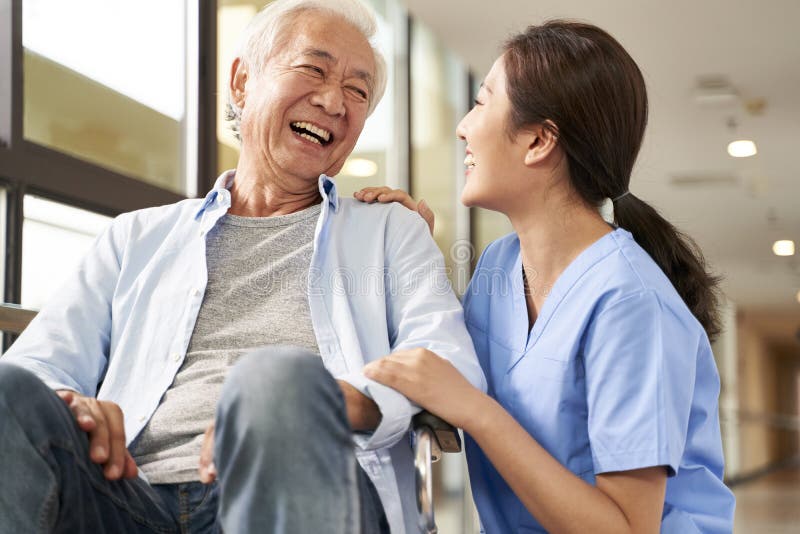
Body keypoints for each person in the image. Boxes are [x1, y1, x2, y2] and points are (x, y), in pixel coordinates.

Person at [0, 1, 485, 533]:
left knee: (275, 379)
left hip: (300, 491)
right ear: (241, 81)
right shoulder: (137, 237)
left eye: (358, 90)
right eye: (313, 68)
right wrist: (73, 403)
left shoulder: (390, 230)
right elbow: (40, 365)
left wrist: (340, 400)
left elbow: (448, 361)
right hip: (128, 496)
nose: (332, 100)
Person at [358, 20, 735, 534]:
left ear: (538, 140)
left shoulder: (631, 302)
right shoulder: (498, 265)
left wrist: (478, 412)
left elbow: (626, 529)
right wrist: (412, 258)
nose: (463, 126)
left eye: (481, 102)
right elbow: (443, 368)